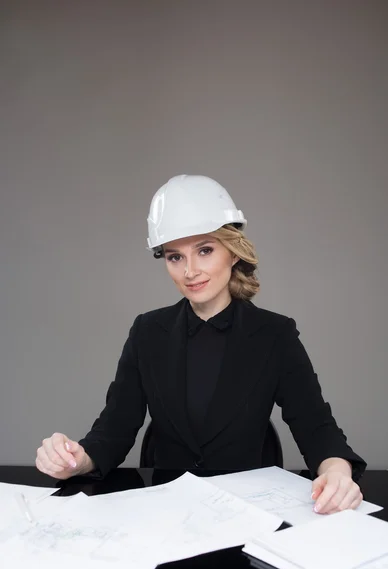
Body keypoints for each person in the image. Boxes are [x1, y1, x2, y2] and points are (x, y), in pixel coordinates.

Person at [36, 174, 366, 515]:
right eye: (174, 257)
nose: (190, 271)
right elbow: (114, 428)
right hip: (166, 510)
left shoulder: (275, 334)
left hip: (246, 512)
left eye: (205, 251)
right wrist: (77, 460)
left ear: (233, 252)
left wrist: (337, 471)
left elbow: (315, 425)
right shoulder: (147, 331)